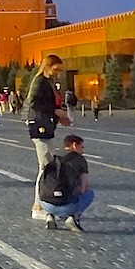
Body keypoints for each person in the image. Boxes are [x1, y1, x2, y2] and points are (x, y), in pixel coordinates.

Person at [22, 54, 71, 221]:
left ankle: (42, 205)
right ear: (48, 66)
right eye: (56, 69)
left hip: (47, 125)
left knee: (48, 166)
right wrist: (55, 112)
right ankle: (38, 207)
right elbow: (35, 103)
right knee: (45, 168)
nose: (58, 73)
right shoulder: (40, 81)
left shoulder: (49, 82)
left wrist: (59, 117)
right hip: (38, 126)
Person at [38, 134, 94, 231]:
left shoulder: (50, 155)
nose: (83, 151)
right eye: (82, 147)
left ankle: (50, 216)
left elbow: (42, 179)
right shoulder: (79, 159)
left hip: (45, 203)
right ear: (74, 145)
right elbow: (84, 184)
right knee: (89, 193)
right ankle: (74, 217)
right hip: (67, 206)